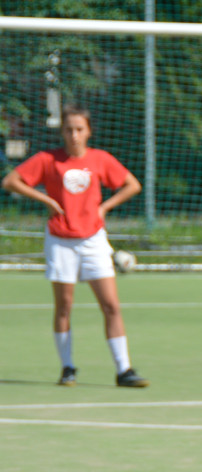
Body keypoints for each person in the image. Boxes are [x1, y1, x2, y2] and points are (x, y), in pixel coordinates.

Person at [2, 105, 148, 388]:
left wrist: (105, 207)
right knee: (64, 306)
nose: (74, 135)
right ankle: (67, 368)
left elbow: (132, 185)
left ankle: (124, 370)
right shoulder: (48, 159)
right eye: (69, 130)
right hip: (60, 241)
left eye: (79, 129)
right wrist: (45, 200)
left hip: (93, 240)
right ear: (62, 132)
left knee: (111, 305)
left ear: (88, 131)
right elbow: (10, 181)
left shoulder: (100, 159)